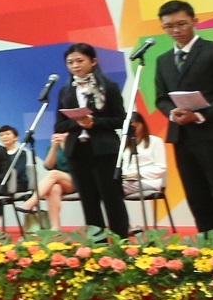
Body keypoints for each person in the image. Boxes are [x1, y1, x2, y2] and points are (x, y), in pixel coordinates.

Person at [155, 1, 213, 233]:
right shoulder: (163, 60)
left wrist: (198, 115)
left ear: (194, 21)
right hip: (182, 137)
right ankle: (208, 248)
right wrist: (172, 113)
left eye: (181, 24)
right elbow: (161, 98)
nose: (176, 30)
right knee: (196, 196)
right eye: (169, 26)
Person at [51, 42, 129, 234]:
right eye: (70, 62)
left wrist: (95, 122)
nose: (75, 66)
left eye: (80, 60)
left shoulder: (108, 87)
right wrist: (78, 122)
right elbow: (59, 125)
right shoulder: (65, 91)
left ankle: (121, 241)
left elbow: (120, 120)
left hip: (104, 150)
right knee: (88, 201)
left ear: (93, 61)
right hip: (77, 151)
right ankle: (97, 242)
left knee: (112, 199)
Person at [120, 112, 168, 204]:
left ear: (142, 124)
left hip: (150, 181)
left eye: (134, 126)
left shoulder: (155, 141)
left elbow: (161, 167)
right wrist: (126, 176)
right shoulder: (125, 145)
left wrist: (139, 174)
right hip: (129, 181)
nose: (132, 130)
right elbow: (124, 165)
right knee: (112, 185)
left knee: (114, 188)